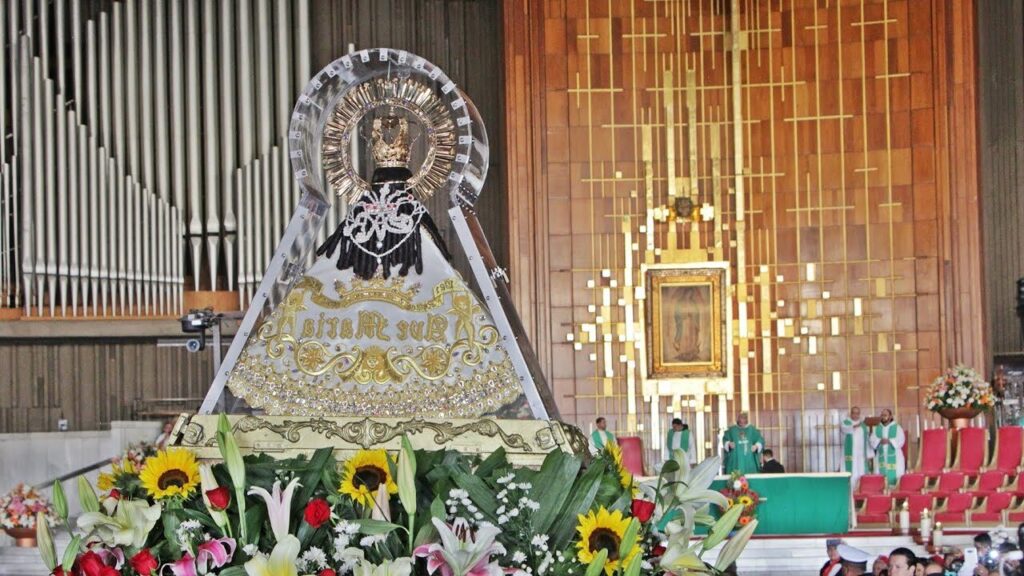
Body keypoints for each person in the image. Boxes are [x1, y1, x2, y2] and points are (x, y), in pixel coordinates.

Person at [871, 409, 906, 485]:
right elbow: (872, 440)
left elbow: (901, 440)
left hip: (895, 456)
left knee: (896, 473)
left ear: (890, 416)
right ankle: (882, 493)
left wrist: (890, 441)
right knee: (880, 475)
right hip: (881, 455)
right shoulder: (877, 428)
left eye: (885, 415)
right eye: (882, 415)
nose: (883, 417)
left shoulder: (897, 427)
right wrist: (879, 441)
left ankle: (895, 492)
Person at [842, 406, 874, 488]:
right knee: (851, 473)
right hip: (850, 454)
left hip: (861, 455)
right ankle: (850, 490)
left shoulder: (863, 426)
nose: (855, 415)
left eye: (857, 413)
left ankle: (860, 493)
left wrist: (869, 454)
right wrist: (856, 426)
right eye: (854, 413)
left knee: (861, 471)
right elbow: (845, 429)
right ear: (851, 414)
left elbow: (866, 441)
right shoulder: (846, 422)